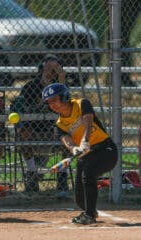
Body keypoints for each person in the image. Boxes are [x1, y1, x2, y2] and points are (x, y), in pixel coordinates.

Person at [42, 83, 118, 224]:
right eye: (49, 102)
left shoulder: (82, 104)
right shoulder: (59, 124)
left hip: (106, 151)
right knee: (79, 198)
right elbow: (66, 139)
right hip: (85, 156)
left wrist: (85, 141)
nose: (52, 104)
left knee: (88, 174)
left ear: (64, 97)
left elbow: (88, 123)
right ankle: (90, 211)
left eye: (55, 100)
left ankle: (89, 216)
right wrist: (74, 149)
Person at [15, 55, 68, 193]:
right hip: (34, 130)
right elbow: (25, 110)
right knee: (23, 133)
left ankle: (62, 174)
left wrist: (61, 82)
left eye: (55, 69)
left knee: (69, 132)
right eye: (48, 68)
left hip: (55, 130)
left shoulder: (62, 88)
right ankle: (32, 173)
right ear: (41, 69)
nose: (51, 72)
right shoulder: (30, 87)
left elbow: (66, 107)